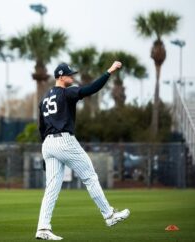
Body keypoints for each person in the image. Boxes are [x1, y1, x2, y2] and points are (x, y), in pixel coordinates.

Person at [36, 61, 130, 240]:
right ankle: (109, 215)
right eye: (69, 75)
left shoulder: (44, 99)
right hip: (64, 141)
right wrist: (109, 71)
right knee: (90, 177)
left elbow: (42, 128)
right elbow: (91, 89)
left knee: (51, 188)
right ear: (61, 77)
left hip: (48, 143)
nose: (72, 77)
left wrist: (45, 154)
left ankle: (43, 228)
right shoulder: (66, 92)